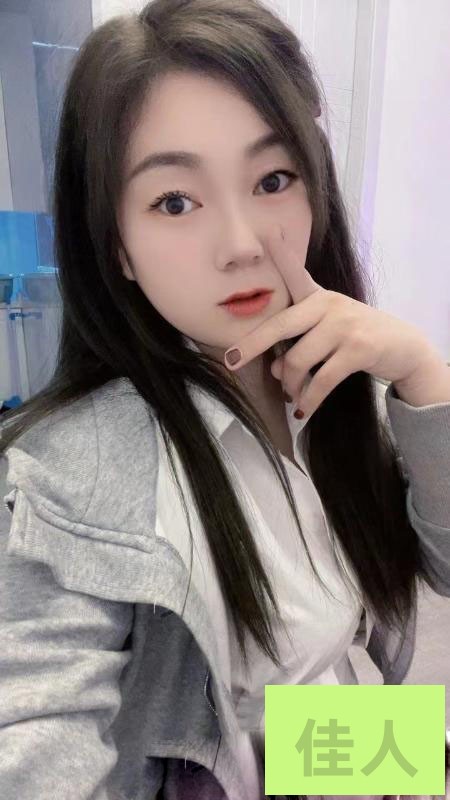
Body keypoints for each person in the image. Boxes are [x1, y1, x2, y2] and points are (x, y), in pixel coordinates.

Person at [0, 1, 449, 798]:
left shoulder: (329, 384)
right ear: (117, 245)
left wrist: (423, 375)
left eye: (273, 180)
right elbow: (35, 746)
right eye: (175, 201)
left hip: (335, 748)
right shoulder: (74, 474)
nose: (242, 244)